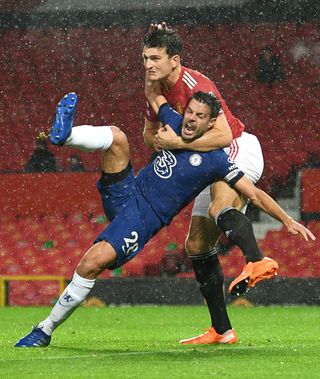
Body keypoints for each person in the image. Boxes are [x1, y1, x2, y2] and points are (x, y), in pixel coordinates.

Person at [15, 91, 314, 348]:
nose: (191, 118)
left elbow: (255, 194)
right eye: (190, 111)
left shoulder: (217, 161)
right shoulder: (173, 123)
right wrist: (155, 49)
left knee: (90, 263)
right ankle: (65, 135)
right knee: (117, 138)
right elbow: (155, 96)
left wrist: (287, 220)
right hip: (127, 192)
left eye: (200, 115)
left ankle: (44, 330)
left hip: (143, 219)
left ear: (211, 124)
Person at [142, 26, 274, 342]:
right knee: (197, 245)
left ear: (174, 60)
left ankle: (257, 261)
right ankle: (222, 330)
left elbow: (224, 135)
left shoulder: (196, 85)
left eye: (155, 58)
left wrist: (178, 144)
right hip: (207, 159)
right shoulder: (157, 94)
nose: (148, 64)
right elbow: (149, 136)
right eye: (145, 58)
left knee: (219, 206)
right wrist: (159, 141)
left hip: (237, 147)